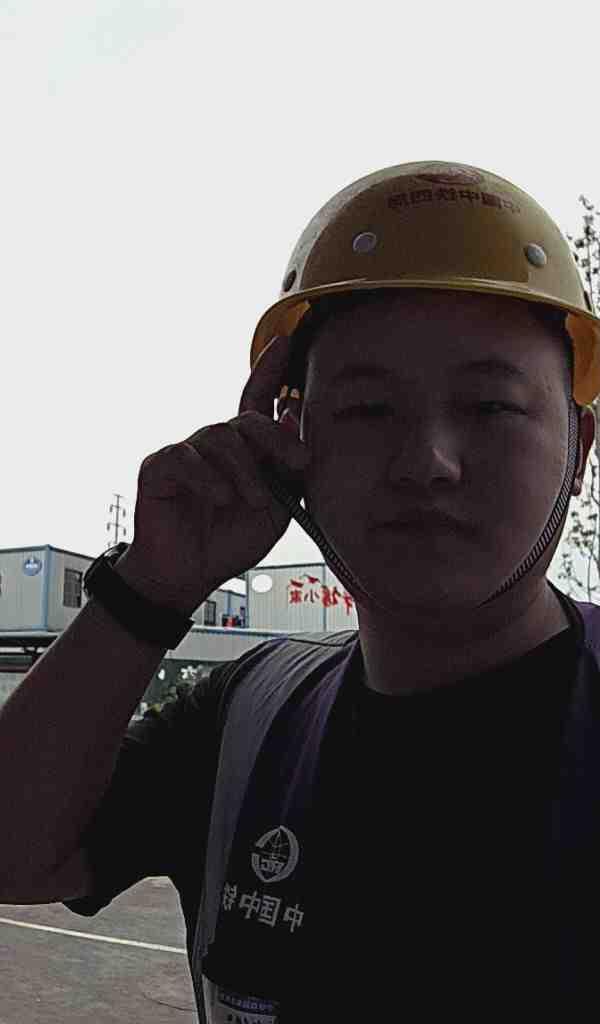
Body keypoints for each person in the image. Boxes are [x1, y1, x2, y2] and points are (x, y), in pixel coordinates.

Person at [1, 160, 600, 1022]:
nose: (428, 461)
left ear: (579, 448)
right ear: (289, 442)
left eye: (490, 407)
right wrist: (149, 590)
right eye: (367, 410)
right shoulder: (246, 721)